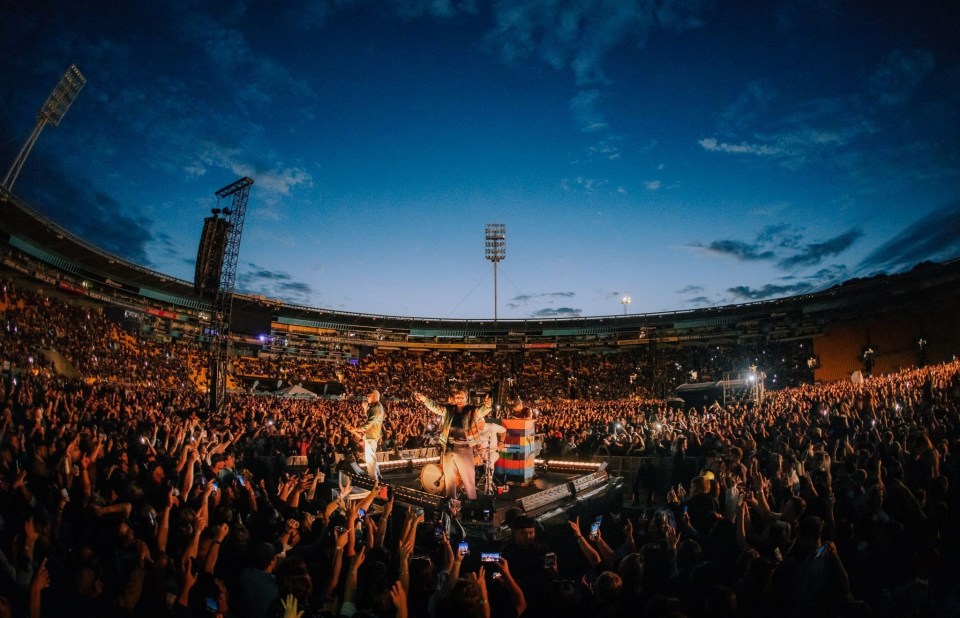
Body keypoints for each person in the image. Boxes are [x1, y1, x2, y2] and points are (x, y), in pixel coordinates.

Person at [414, 389, 491, 500]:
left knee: (468, 479)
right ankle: (451, 506)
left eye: (461, 397)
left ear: (466, 398)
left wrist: (487, 405)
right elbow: (436, 407)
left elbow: (482, 410)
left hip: (464, 448)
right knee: (449, 480)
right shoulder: (449, 410)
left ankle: (472, 504)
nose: (458, 399)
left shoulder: (471, 411)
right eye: (457, 397)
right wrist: (424, 399)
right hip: (449, 448)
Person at [351, 389, 385, 480]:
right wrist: (365, 409)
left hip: (372, 436)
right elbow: (371, 418)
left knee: (370, 459)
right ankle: (377, 475)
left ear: (374, 396)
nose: (367, 397)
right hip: (373, 435)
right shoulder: (377, 406)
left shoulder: (376, 408)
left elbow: (368, 424)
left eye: (368, 395)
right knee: (372, 457)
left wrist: (356, 429)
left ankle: (374, 479)